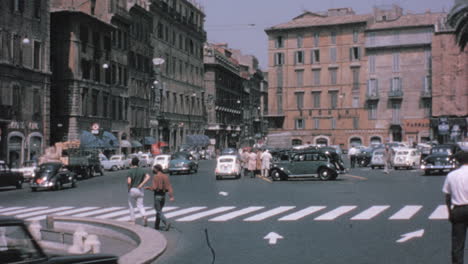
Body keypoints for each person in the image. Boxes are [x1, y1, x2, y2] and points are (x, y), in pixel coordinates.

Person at [442, 151, 468, 264]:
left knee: (457, 244)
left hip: (458, 209)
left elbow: (447, 196)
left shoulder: (451, 175)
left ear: (458, 162)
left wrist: (449, 212)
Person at [146, 165, 174, 231]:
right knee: (159, 211)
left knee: (158, 211)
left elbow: (154, 188)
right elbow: (169, 187)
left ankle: (166, 222)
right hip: (163, 196)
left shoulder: (156, 177)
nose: (153, 170)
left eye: (154, 169)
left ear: (157, 169)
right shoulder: (165, 176)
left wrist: (148, 188)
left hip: (157, 196)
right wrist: (171, 196)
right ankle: (156, 225)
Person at [127, 157, 151, 225]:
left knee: (131, 204)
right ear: (138, 163)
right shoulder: (142, 170)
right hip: (140, 189)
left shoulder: (130, 171)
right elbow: (148, 176)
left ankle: (132, 220)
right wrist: (142, 184)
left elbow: (129, 182)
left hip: (133, 189)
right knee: (140, 205)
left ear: (132, 163)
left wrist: (129, 189)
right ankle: (144, 216)